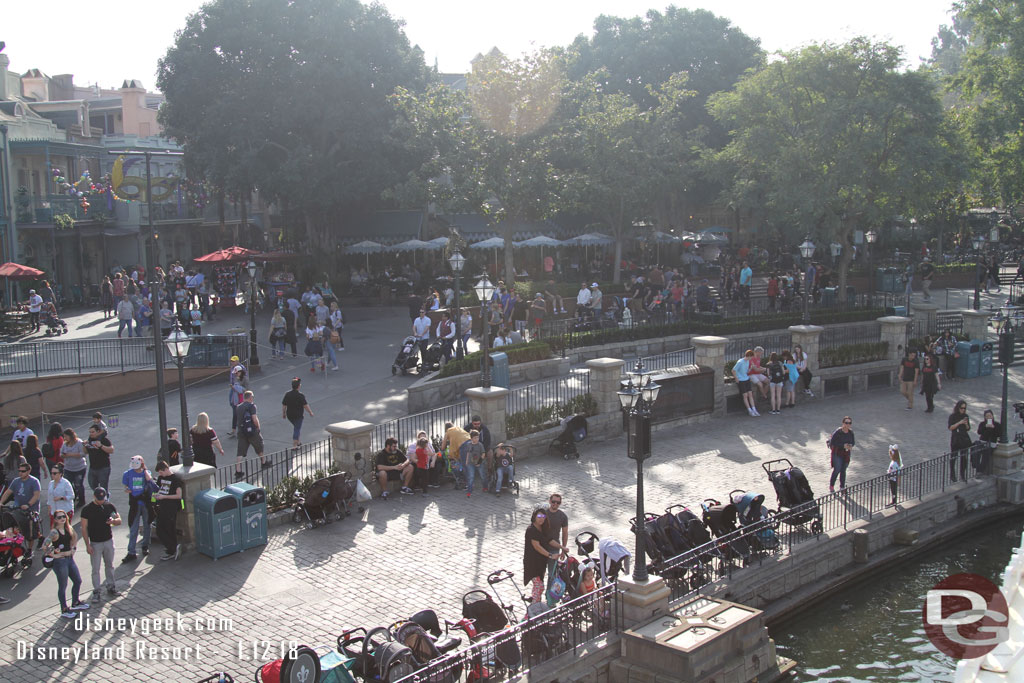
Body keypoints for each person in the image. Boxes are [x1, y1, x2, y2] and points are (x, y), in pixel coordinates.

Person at [44, 509, 88, 618]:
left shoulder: (69, 528)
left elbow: (75, 538)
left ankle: (75, 602)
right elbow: (45, 546)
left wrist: (73, 549)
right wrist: (54, 555)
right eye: (59, 517)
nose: (62, 519)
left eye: (63, 516)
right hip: (60, 562)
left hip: (69, 559)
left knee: (77, 580)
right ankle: (64, 609)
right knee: (63, 585)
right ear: (55, 520)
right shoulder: (54, 532)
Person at [80, 487, 121, 600]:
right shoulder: (87, 509)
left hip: (108, 540)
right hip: (95, 542)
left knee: (110, 565)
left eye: (102, 498)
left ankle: (111, 586)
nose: (101, 501)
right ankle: (97, 590)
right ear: (94, 496)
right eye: (99, 499)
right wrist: (87, 545)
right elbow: (84, 528)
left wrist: (113, 521)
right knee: (95, 568)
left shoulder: (109, 506)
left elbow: (118, 520)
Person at [0, 459, 40, 560]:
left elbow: (36, 495)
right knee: (14, 529)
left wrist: (28, 504)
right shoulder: (16, 481)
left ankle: (30, 550)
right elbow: (8, 492)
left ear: (28, 471)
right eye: (19, 471)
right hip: (17, 509)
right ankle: (14, 548)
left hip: (30, 510)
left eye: (23, 471)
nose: (20, 473)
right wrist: (1, 502)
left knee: (30, 531)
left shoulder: (34, 481)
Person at [524, 508, 563, 604]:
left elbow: (550, 540)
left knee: (539, 585)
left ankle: (536, 603)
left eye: (543, 517)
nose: (541, 519)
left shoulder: (543, 529)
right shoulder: (531, 530)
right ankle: (533, 608)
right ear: (534, 516)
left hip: (541, 563)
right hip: (532, 563)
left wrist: (562, 547)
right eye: (539, 516)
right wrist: (550, 555)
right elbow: (536, 546)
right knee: (539, 586)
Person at [121, 455, 154, 562]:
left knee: (147, 524)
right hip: (135, 503)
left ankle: (145, 546)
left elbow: (150, 481)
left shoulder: (146, 473)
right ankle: (131, 551)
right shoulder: (127, 474)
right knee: (134, 527)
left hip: (145, 503)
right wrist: (127, 489)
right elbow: (125, 485)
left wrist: (144, 471)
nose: (135, 469)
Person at [235, 391, 270, 480]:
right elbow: (254, 418)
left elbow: (238, 420)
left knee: (241, 451)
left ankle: (238, 470)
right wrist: (258, 428)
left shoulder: (238, 407)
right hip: (252, 431)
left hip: (242, 432)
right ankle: (263, 462)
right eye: (252, 397)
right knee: (259, 446)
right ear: (250, 397)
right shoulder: (252, 406)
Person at [154, 461, 183, 561]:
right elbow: (159, 489)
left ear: (166, 469)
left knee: (170, 528)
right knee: (159, 529)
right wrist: (156, 496)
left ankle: (172, 549)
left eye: (161, 472)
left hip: (171, 508)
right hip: (162, 507)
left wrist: (164, 497)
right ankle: (172, 548)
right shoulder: (161, 478)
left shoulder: (175, 480)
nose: (160, 475)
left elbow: (179, 495)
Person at [545, 493, 569, 591]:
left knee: (551, 574)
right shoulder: (544, 514)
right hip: (542, 547)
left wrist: (563, 549)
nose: (555, 504)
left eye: (558, 502)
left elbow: (565, 533)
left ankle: (549, 596)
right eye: (553, 502)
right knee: (539, 574)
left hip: (555, 548)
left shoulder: (563, 516)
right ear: (550, 501)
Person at [282, 377, 314, 449]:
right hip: (298, 415)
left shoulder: (287, 394)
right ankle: (294, 445)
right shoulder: (300, 395)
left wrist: (283, 413)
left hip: (290, 415)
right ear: (299, 386)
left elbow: (284, 405)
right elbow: (305, 405)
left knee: (297, 427)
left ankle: (298, 442)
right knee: (297, 429)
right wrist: (310, 412)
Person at [60, 428, 88, 507]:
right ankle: (74, 496)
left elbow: (83, 454)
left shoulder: (79, 442)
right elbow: (61, 453)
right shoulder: (65, 444)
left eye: (66, 436)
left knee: (78, 484)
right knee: (68, 484)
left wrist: (70, 455)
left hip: (79, 468)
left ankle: (82, 500)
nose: (65, 438)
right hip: (68, 468)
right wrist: (63, 455)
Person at [828, 416, 855, 492]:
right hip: (837, 453)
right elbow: (833, 442)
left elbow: (853, 442)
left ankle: (842, 487)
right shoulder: (838, 432)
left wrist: (850, 445)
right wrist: (843, 445)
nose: (848, 424)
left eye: (849, 423)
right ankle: (832, 485)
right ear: (843, 423)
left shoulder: (851, 433)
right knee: (837, 469)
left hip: (846, 453)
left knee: (843, 470)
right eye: (846, 423)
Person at [442, 421, 471, 489]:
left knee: (464, 465)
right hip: (470, 442)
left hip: (464, 446)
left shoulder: (448, 431)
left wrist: (444, 449)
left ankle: (468, 484)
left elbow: (443, 446)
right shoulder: (458, 428)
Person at [948, 400, 972, 482]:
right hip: (955, 439)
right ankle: (952, 474)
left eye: (965, 408)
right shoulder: (952, 416)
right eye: (962, 408)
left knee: (964, 457)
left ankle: (962, 474)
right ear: (958, 408)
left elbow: (968, 428)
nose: (963, 410)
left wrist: (965, 423)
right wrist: (959, 423)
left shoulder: (966, 416)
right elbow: (950, 427)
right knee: (953, 457)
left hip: (964, 438)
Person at [459, 430, 487, 498]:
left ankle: (485, 486)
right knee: (471, 477)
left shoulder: (480, 445)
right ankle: (469, 491)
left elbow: (483, 454)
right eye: (475, 438)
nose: (477, 439)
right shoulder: (468, 444)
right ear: (471, 438)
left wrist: (479, 462)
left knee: (482, 476)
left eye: (477, 437)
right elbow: (468, 453)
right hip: (470, 463)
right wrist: (466, 461)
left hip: (479, 463)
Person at [733, 350, 758, 417]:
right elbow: (733, 370)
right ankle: (749, 410)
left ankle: (754, 409)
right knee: (745, 395)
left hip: (746, 379)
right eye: (751, 357)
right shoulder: (740, 362)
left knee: (750, 394)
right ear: (749, 356)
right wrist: (736, 378)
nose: (751, 359)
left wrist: (751, 368)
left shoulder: (748, 361)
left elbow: (746, 371)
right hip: (741, 380)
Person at [977, 409, 1000, 475]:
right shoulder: (982, 424)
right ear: (985, 417)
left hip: (991, 443)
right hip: (982, 442)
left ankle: (980, 470)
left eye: (990, 416)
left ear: (992, 416)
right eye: (987, 416)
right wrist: (985, 426)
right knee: (976, 452)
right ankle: (976, 467)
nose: (989, 417)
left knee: (986, 454)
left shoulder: (997, 424)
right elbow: (979, 432)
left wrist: (993, 427)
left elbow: (999, 434)